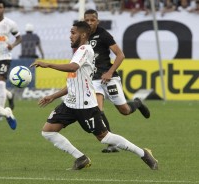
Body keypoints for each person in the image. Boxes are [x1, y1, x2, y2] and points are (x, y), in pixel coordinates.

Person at [30, 21, 158, 171]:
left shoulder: (85, 49)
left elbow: (73, 67)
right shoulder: (79, 52)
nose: (70, 36)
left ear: (83, 35)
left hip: (85, 106)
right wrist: (53, 96)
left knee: (105, 137)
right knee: (48, 131)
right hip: (70, 103)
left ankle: (143, 153)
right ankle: (81, 158)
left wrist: (49, 64)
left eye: (73, 33)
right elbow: (73, 80)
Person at [84, 9, 151, 153]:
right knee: (97, 110)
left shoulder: (104, 35)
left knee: (125, 111)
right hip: (94, 80)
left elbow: (120, 55)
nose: (90, 23)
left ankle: (137, 103)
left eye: (92, 20)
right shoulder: (83, 36)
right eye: (87, 20)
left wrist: (109, 72)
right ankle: (112, 144)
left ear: (97, 21)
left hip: (109, 78)